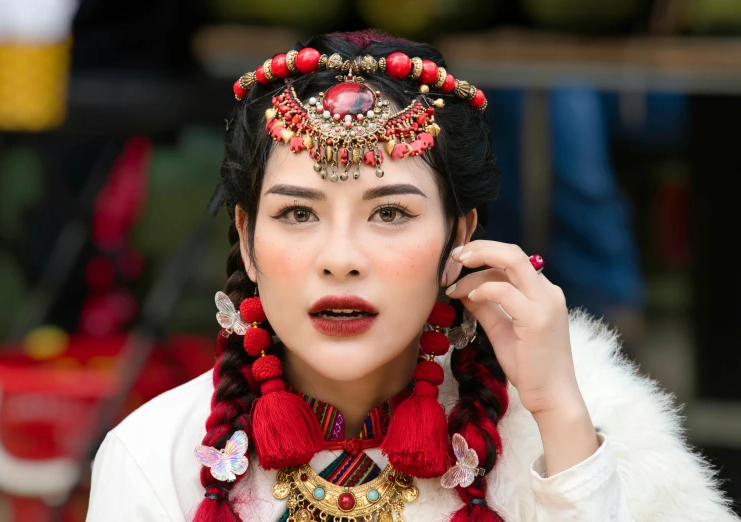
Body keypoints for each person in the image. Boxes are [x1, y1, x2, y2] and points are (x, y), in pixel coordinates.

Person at [86, 31, 739, 522]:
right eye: (296, 213)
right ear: (248, 244)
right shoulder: (153, 458)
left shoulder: (570, 430)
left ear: (459, 237)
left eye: (390, 212)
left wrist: (560, 415)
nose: (340, 257)